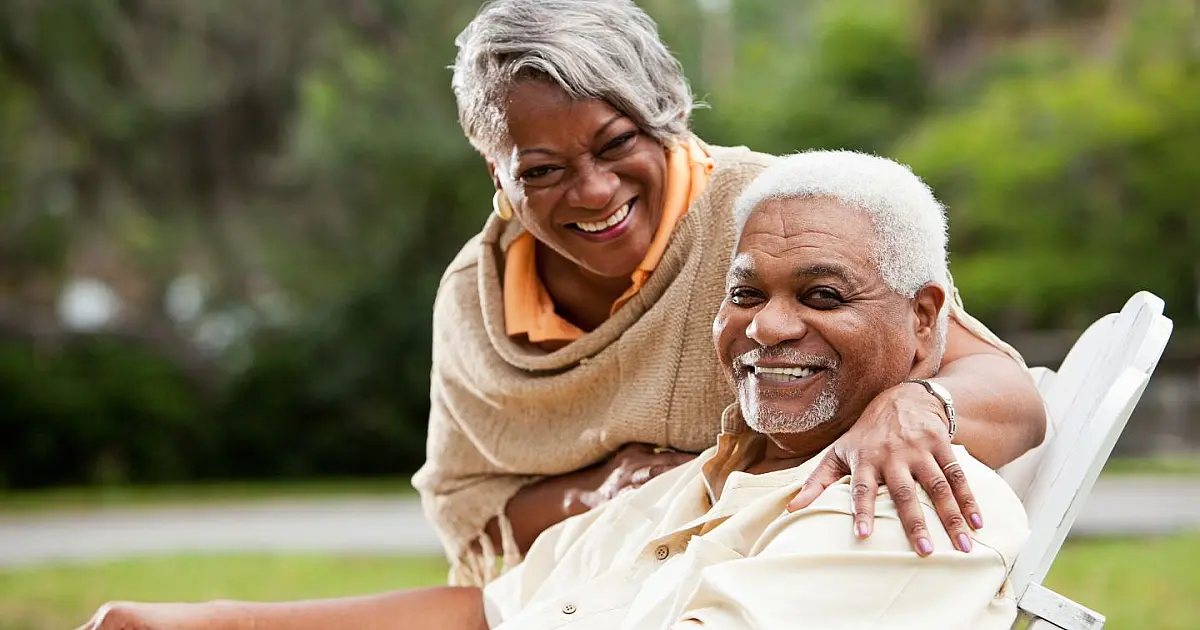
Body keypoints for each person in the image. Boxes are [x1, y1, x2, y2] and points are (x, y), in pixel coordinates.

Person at [79, 150, 1030, 630]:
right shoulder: (691, 482)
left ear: (923, 322)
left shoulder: (911, 507)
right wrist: (202, 622)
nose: (770, 327)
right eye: (744, 293)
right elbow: (493, 611)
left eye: (822, 295)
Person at [416, 0, 1045, 585]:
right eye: (542, 171)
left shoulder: (773, 220)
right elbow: (468, 501)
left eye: (618, 143)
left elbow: (1009, 394)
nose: (594, 192)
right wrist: (603, 488)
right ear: (496, 169)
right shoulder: (476, 299)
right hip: (579, 594)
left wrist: (917, 404)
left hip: (765, 579)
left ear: (664, 115)